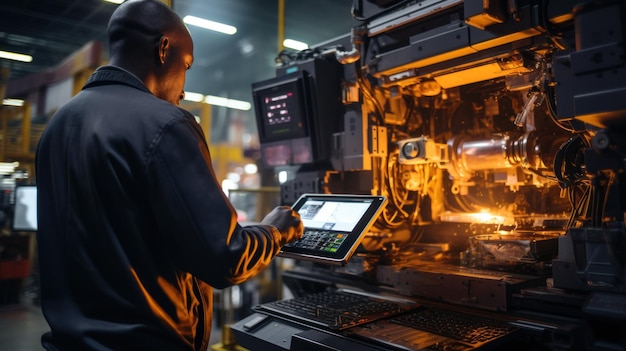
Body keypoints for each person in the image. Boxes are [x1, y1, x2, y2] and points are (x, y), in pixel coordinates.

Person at [35, 1, 303, 350]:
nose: (183, 89)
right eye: (186, 66)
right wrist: (276, 230)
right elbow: (224, 258)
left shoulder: (58, 125)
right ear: (163, 49)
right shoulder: (165, 123)